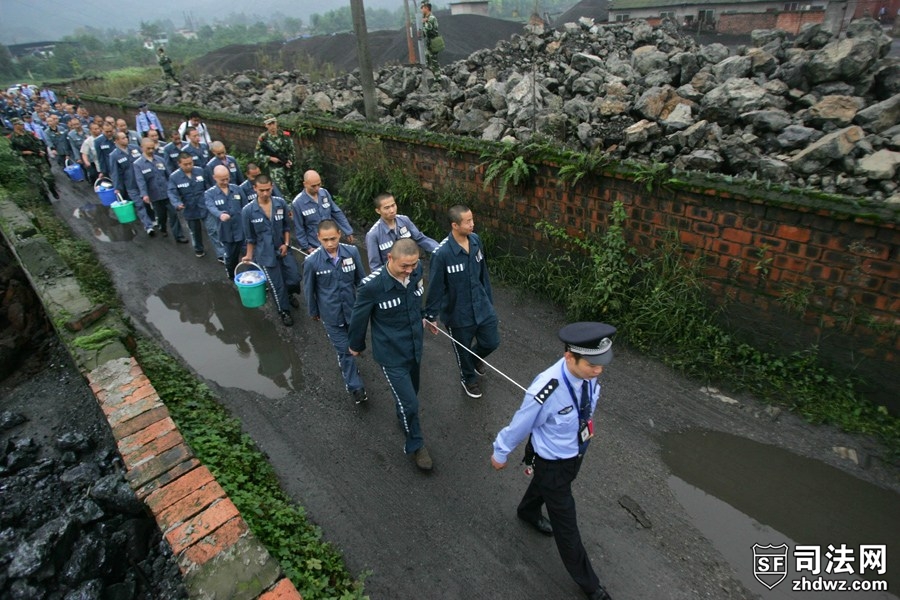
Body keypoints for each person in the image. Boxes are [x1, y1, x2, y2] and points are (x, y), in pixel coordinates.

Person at [490, 322, 617, 600]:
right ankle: (589, 584)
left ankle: (528, 511)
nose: (599, 371)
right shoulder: (547, 389)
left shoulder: (589, 376)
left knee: (547, 486)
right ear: (569, 357)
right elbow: (522, 423)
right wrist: (501, 451)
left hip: (575, 453)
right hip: (552, 461)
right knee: (566, 525)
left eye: (601, 364)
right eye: (592, 365)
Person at [348, 238, 433, 471]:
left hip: (414, 347)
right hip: (390, 354)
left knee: (411, 394)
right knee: (411, 405)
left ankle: (403, 413)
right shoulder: (371, 286)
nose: (409, 271)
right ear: (390, 259)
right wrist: (355, 345)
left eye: (413, 265)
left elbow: (417, 302)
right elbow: (359, 318)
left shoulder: (415, 274)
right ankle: (416, 445)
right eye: (404, 266)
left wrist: (426, 317)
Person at [424, 205, 499, 399]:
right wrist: (430, 316)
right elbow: (435, 287)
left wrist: (488, 300)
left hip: (482, 306)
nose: (472, 224)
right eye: (468, 221)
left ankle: (475, 358)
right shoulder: (442, 254)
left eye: (472, 220)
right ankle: (468, 379)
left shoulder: (475, 241)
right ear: (455, 225)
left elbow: (484, 273)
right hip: (458, 313)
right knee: (462, 350)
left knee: (492, 341)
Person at [304, 220, 367, 404]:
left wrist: (367, 305)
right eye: (325, 240)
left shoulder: (352, 252)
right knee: (345, 352)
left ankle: (350, 362)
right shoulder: (311, 262)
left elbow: (361, 281)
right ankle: (356, 387)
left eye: (333, 238)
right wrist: (313, 311)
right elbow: (309, 290)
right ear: (318, 238)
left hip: (353, 311)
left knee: (355, 344)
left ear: (339, 234)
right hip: (331, 315)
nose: (330, 244)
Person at [241, 174, 300, 327]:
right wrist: (249, 255)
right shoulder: (248, 211)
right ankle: (284, 311)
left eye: (268, 189)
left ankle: (289, 294)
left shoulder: (280, 204)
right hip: (265, 254)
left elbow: (287, 227)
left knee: (294, 277)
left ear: (272, 187)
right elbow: (250, 237)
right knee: (276, 284)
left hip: (283, 248)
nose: (265, 193)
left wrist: (286, 244)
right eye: (261, 190)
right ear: (255, 189)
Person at [365, 192, 438, 272]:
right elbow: (375, 266)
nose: (392, 210)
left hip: (412, 272)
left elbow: (421, 239)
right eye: (387, 208)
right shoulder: (373, 234)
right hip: (392, 277)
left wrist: (440, 250)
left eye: (393, 205)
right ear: (378, 211)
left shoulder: (405, 220)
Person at [134, 137, 186, 242]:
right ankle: (162, 227)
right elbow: (140, 181)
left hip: (167, 193)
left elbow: (169, 176)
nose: (151, 151)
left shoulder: (160, 160)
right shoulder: (138, 164)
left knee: (173, 214)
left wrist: (175, 189)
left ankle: (179, 236)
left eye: (152, 148)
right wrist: (144, 194)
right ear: (142, 148)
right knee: (161, 215)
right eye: (148, 148)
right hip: (155, 195)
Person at [291, 170, 353, 253]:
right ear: (305, 184)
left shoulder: (324, 193)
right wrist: (306, 247)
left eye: (319, 184)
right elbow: (299, 228)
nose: (317, 188)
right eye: (313, 186)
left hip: (332, 242)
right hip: (315, 246)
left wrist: (348, 231)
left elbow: (336, 212)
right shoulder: (298, 203)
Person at [168, 153, 216, 258]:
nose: (189, 166)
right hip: (189, 208)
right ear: (179, 164)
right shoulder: (174, 177)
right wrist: (177, 204)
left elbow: (208, 186)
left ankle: (221, 253)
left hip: (204, 206)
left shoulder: (200, 171)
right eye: (185, 164)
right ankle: (199, 248)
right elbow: (172, 193)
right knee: (195, 231)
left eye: (190, 163)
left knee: (213, 230)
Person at [109, 131, 156, 236]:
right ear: (116, 141)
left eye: (126, 137)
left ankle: (153, 218)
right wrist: (117, 187)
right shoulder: (114, 155)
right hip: (131, 184)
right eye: (122, 138)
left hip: (143, 181)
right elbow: (115, 173)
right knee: (139, 205)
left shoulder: (135, 148)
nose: (126, 139)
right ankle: (148, 226)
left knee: (148, 202)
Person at [205, 164, 247, 280]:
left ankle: (253, 276)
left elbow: (245, 206)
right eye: (222, 179)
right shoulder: (210, 193)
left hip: (241, 229)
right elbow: (211, 207)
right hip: (226, 231)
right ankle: (232, 274)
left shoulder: (237, 189)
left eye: (227, 178)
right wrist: (220, 214)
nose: (225, 181)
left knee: (249, 254)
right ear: (214, 178)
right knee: (231, 257)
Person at [9, 117, 59, 200]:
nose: (22, 126)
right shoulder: (13, 138)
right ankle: (45, 197)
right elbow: (12, 152)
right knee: (38, 183)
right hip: (29, 162)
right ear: (15, 125)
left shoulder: (29, 134)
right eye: (20, 124)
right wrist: (23, 152)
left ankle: (52, 189)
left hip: (39, 158)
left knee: (49, 178)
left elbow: (39, 142)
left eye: (22, 124)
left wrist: (41, 150)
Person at [254, 113, 296, 198]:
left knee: (292, 188)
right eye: (269, 124)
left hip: (287, 167)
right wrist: (270, 158)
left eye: (273, 123)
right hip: (275, 169)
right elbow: (257, 155)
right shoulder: (263, 138)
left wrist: (290, 160)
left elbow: (292, 150)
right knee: (283, 193)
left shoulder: (284, 135)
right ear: (266, 125)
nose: (272, 126)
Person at [420, 2, 442, 78]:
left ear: (426, 8)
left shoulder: (431, 18)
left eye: (422, 8)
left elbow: (429, 29)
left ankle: (437, 78)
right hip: (429, 41)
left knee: (433, 60)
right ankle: (431, 75)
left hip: (433, 41)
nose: (421, 10)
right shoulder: (427, 18)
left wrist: (425, 22)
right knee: (427, 57)